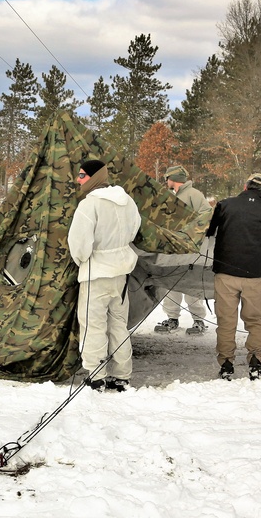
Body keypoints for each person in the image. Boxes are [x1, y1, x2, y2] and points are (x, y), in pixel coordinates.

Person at [67, 159, 142, 392]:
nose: (77, 180)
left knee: (93, 324)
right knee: (119, 323)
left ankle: (96, 375)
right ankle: (122, 376)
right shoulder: (127, 201)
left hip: (96, 272)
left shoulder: (89, 205)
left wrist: (82, 260)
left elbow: (78, 243)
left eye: (82, 176)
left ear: (95, 177)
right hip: (121, 271)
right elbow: (134, 230)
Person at [205, 172, 261, 380]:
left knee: (226, 321)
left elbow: (209, 231)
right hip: (254, 274)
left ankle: (226, 363)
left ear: (245, 187)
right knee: (255, 321)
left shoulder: (225, 205)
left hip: (225, 273)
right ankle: (256, 361)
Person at [154, 164, 212, 335]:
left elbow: (206, 215)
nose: (166, 181)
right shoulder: (173, 196)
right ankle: (172, 318)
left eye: (168, 178)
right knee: (171, 284)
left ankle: (198, 320)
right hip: (174, 249)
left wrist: (191, 232)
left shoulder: (194, 194)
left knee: (191, 285)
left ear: (175, 179)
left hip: (190, 250)